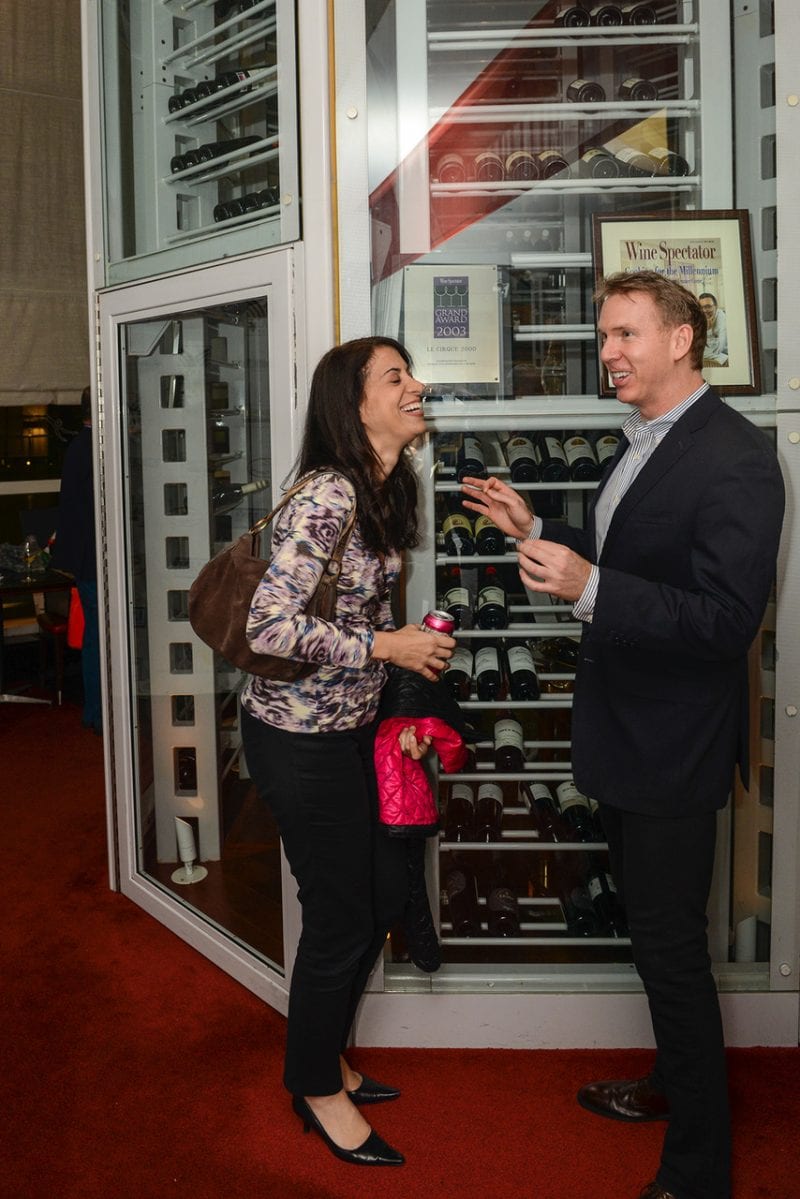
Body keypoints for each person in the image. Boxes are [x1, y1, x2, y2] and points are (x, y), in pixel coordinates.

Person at [461, 270, 784, 1199]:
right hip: (628, 733)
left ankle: (699, 1168)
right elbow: (632, 550)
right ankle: (671, 1084)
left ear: (681, 339)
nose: (607, 352)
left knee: (672, 955)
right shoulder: (644, 439)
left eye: (625, 334)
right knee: (652, 941)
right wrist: (537, 524)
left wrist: (590, 588)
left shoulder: (738, 457)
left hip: (672, 749)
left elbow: (725, 621)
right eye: (604, 335)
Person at [239, 336, 454, 1167]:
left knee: (379, 889)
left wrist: (395, 688)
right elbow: (269, 625)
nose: (416, 385)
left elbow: (358, 614)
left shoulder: (383, 485)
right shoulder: (328, 494)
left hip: (350, 731)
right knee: (341, 913)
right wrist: (386, 647)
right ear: (354, 404)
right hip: (300, 741)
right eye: (396, 377)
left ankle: (325, 1053)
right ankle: (314, 1083)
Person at [51, 386, 102, 734]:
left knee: (94, 637)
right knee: (99, 638)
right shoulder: (94, 449)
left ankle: (95, 711)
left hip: (84, 560)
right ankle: (98, 713)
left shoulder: (79, 447)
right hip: (94, 561)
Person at [698, 291, 728, 366]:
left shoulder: (721, 317)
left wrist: (708, 330)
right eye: (701, 307)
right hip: (712, 355)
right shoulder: (700, 317)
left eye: (708, 306)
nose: (704, 310)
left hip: (724, 354)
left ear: (716, 306)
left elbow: (719, 348)